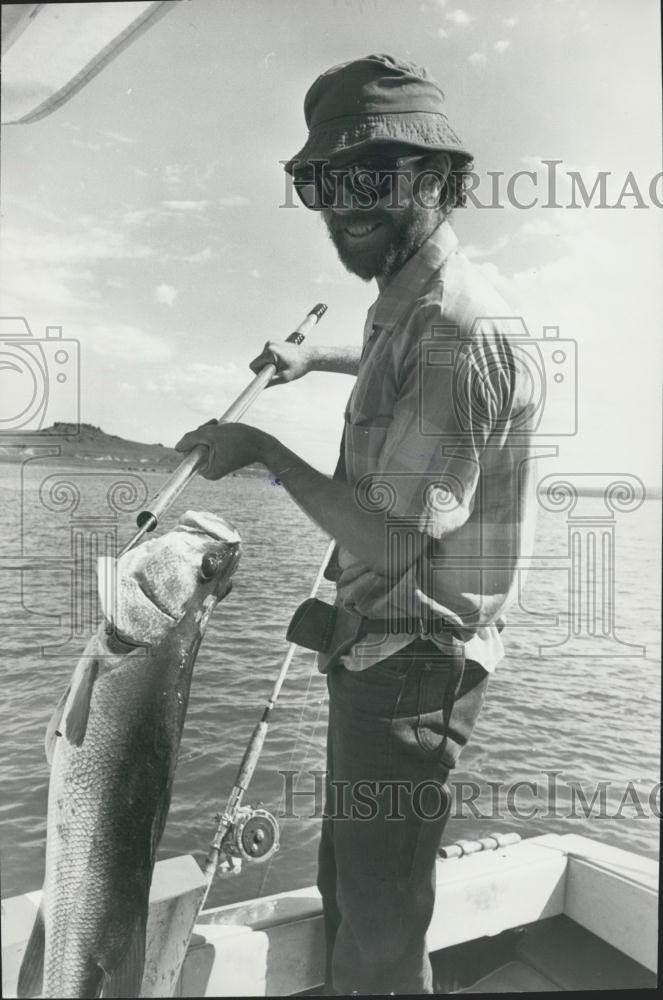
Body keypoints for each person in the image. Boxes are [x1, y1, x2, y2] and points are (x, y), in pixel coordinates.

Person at [176, 54, 536, 996]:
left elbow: (385, 539)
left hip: (414, 666)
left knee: (379, 921)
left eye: (370, 177)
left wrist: (260, 448)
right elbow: (387, 352)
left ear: (434, 178)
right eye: (323, 181)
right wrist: (313, 355)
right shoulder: (405, 299)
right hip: (374, 655)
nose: (344, 201)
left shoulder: (460, 329)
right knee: (350, 883)